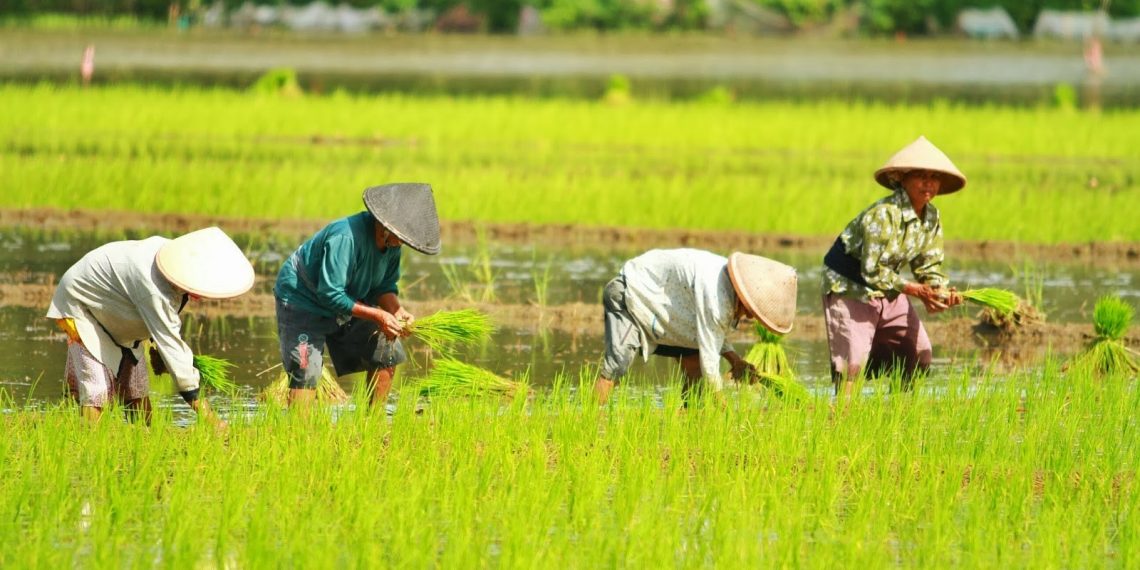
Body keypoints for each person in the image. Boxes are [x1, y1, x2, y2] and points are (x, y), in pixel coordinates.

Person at [46, 227, 255, 426]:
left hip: (118, 306)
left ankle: (145, 437)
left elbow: (164, 324)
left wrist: (157, 347)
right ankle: (87, 442)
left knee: (136, 387)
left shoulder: (177, 260)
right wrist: (210, 418)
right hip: (82, 303)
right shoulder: (155, 287)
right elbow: (172, 345)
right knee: (97, 388)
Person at [821, 135, 966, 395]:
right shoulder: (883, 215)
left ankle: (897, 414)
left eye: (934, 177)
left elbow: (928, 266)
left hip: (890, 287)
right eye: (920, 175)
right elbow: (873, 270)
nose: (928, 183)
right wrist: (917, 291)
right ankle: (839, 421)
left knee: (919, 353)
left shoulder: (931, 216)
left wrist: (940, 291)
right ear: (901, 178)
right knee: (851, 365)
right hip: (850, 286)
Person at [274, 183, 440, 408]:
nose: (402, 243)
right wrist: (378, 316)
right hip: (303, 298)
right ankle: (299, 435)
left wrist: (396, 311)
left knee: (386, 349)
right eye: (401, 237)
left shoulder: (392, 245)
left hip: (347, 298)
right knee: (305, 370)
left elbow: (384, 286)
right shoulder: (345, 237)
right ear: (384, 225)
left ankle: (371, 425)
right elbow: (330, 293)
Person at [594, 248, 798, 406]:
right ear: (744, 298)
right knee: (617, 365)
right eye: (749, 311)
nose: (747, 316)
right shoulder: (717, 296)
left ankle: (687, 416)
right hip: (632, 293)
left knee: (693, 360)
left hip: (665, 308)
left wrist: (735, 360)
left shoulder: (725, 286)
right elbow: (710, 363)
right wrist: (724, 409)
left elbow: (710, 333)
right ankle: (591, 417)